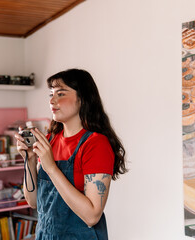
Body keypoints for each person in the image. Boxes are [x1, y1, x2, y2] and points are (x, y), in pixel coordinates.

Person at [15, 68, 127, 239]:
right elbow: (33, 202)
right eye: (51, 94)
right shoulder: (50, 140)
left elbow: (92, 216)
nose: (52, 100)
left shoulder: (96, 144)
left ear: (82, 99)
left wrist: (51, 167)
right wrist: (30, 159)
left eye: (60, 94)